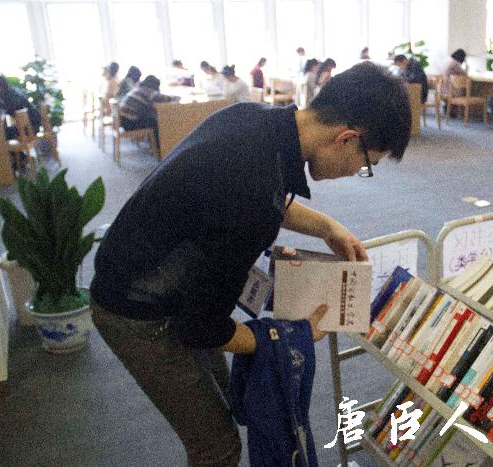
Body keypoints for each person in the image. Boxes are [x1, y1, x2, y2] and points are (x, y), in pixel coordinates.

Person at [89, 61, 411, 467]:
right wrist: (290, 336)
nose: (357, 172)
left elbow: (257, 197)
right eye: (366, 164)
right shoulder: (253, 194)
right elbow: (201, 328)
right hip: (135, 309)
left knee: (228, 401)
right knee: (218, 447)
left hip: (146, 268)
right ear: (347, 138)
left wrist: (327, 227)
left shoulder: (254, 119)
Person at [118, 75, 180, 147]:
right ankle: (159, 147)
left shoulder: (139, 89)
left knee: (151, 115)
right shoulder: (148, 91)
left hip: (123, 121)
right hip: (130, 124)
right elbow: (164, 98)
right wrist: (177, 97)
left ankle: (154, 144)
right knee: (157, 121)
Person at [0, 74, 41, 139]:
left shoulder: (12, 96)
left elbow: (11, 111)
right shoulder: (1, 96)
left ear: (0, 86)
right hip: (21, 126)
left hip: (31, 126)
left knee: (1, 133)